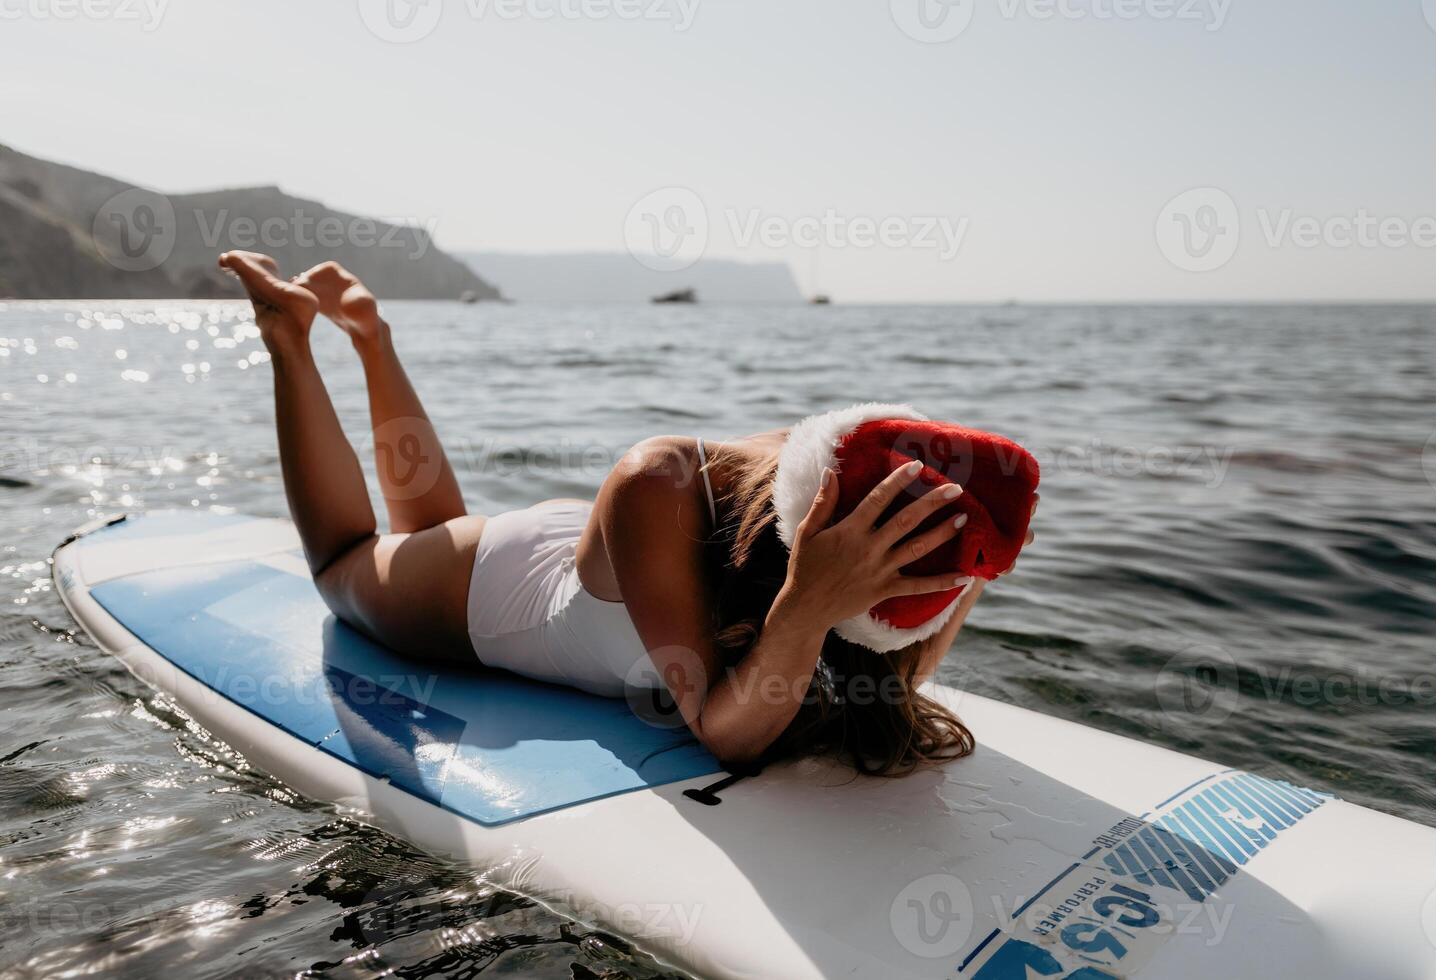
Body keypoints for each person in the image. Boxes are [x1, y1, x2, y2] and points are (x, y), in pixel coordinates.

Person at [218, 250, 1037, 775]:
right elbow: (724, 731)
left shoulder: (881, 499)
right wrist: (806, 609)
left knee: (424, 529)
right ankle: (290, 335)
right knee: (347, 558)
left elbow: (904, 669)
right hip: (496, 596)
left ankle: (370, 337)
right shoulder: (661, 477)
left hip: (615, 567)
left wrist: (972, 564)